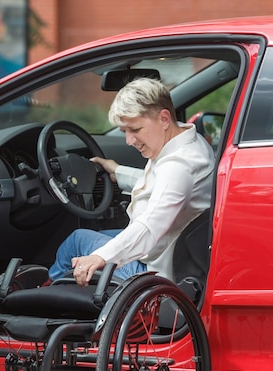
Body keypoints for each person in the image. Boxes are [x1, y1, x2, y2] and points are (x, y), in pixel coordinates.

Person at [48, 77, 215, 286]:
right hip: (161, 251)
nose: (129, 141)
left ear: (164, 119)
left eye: (135, 130)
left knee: (76, 241)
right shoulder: (186, 140)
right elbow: (162, 186)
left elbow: (150, 226)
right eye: (124, 132)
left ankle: (44, 300)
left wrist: (101, 258)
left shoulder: (179, 165)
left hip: (154, 270)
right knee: (96, 237)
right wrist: (118, 171)